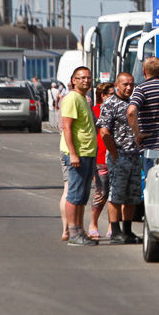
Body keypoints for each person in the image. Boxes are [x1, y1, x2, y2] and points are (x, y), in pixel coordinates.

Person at [97, 72, 141, 244]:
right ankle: (115, 230)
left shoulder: (135, 102)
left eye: (131, 84)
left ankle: (127, 230)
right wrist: (114, 153)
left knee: (132, 195)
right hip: (119, 155)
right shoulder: (110, 103)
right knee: (116, 194)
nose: (129, 87)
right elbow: (104, 132)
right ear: (117, 85)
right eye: (125, 84)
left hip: (134, 155)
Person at [59, 66, 98, 247]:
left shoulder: (83, 99)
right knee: (74, 194)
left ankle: (80, 230)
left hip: (88, 152)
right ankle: (73, 231)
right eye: (81, 78)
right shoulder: (72, 98)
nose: (86, 81)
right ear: (73, 80)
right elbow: (67, 127)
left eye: (88, 78)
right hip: (77, 153)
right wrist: (73, 153)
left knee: (82, 195)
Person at [89, 81, 114, 239]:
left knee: (115, 194)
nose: (114, 97)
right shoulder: (95, 111)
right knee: (101, 193)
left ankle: (113, 226)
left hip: (115, 156)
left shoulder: (118, 110)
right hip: (99, 158)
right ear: (103, 96)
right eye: (111, 94)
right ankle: (93, 223)